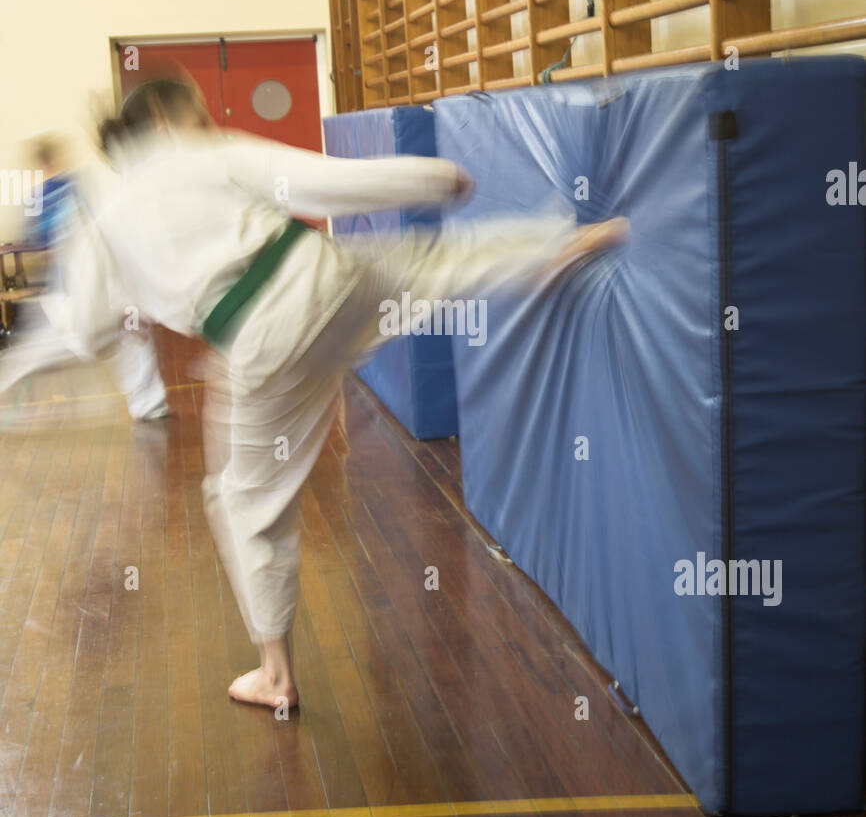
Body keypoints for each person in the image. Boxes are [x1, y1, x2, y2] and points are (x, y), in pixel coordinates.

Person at [2, 78, 628, 711]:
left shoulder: (104, 219)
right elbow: (320, 179)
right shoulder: (204, 152)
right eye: (192, 109)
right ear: (164, 118)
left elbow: (84, 331)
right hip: (322, 278)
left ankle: (275, 675)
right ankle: (557, 244)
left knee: (244, 501)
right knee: (422, 263)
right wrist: (431, 176)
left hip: (261, 341)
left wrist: (134, 296)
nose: (201, 118)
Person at [0, 131, 170, 422]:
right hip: (76, 287)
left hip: (77, 285)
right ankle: (148, 402)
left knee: (123, 335)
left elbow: (40, 244)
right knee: (63, 343)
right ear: (53, 158)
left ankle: (149, 403)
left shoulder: (50, 194)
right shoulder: (72, 189)